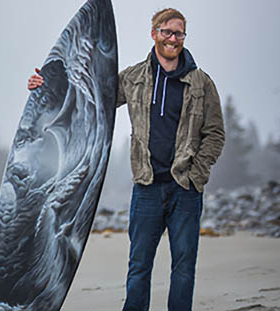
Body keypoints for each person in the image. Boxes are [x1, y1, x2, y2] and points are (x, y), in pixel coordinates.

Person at [28, 8, 224, 311]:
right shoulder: (134, 78)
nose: (173, 38)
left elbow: (215, 134)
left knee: (184, 269)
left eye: (179, 33)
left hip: (185, 190)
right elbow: (91, 98)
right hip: (146, 189)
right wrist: (48, 87)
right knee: (138, 267)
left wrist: (196, 174)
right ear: (154, 33)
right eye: (167, 32)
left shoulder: (201, 83)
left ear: (184, 37)